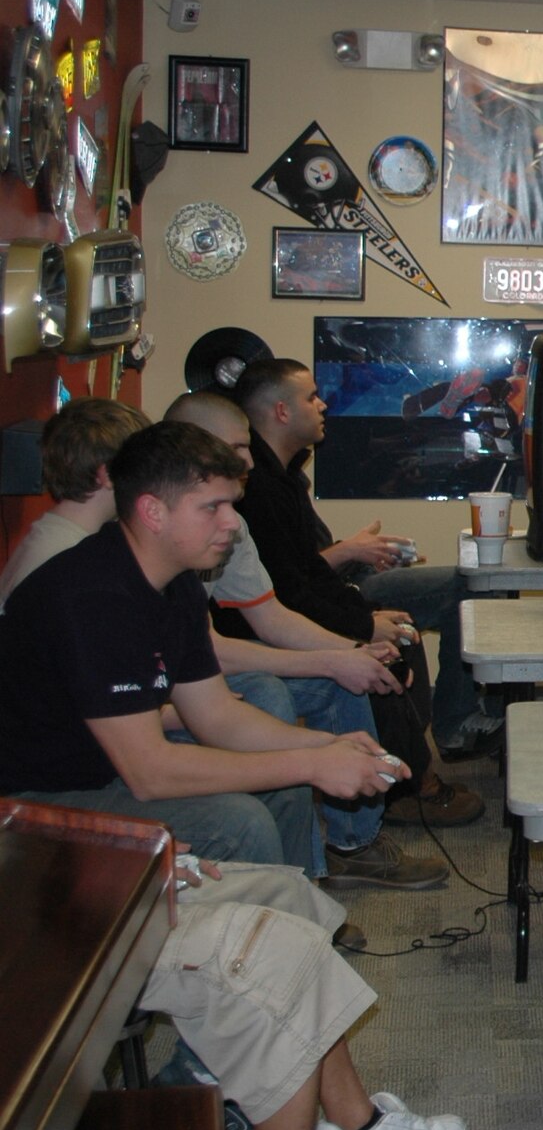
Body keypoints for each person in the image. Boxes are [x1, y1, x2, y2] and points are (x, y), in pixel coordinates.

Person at [0, 422, 406, 867]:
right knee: (237, 822)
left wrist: (323, 747)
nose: (232, 522)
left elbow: (218, 716)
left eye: (231, 505)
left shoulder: (176, 584)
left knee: (286, 788)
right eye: (212, 507)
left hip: (102, 770)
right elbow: (150, 774)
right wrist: (313, 765)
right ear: (153, 512)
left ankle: (291, 926)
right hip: (32, 797)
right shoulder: (91, 598)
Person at [164, 392, 460, 881]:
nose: (246, 463)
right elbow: (211, 653)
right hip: (188, 692)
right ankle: (302, 878)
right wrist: (313, 751)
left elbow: (272, 615)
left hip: (203, 677)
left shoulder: (227, 522)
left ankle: (352, 842)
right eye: (236, 450)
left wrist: (350, 654)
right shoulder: (143, 559)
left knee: (340, 677)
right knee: (271, 695)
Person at [139, 839, 467, 1130]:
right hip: (76, 930)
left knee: (287, 896)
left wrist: (129, 846)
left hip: (108, 882)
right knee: (268, 954)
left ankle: (356, 1128)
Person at [229, 358, 496, 787]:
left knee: (399, 629)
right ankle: (408, 784)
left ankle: (418, 767)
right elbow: (291, 593)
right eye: (311, 397)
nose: (323, 406)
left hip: (318, 599)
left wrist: (365, 614)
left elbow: (307, 574)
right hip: (275, 628)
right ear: (281, 411)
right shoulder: (258, 488)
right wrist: (362, 625)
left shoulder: (285, 478)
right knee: (396, 639)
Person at [0, 397, 151, 604]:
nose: (150, 480)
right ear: (107, 474)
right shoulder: (67, 557)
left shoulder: (64, 536)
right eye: (141, 467)